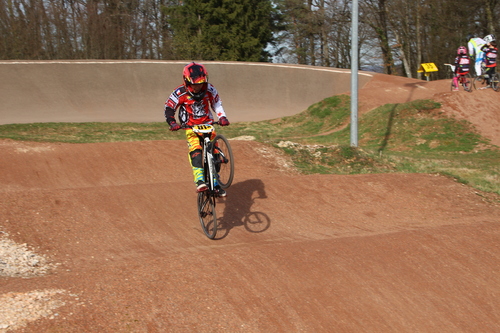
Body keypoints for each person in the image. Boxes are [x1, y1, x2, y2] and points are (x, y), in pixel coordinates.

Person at [164, 62, 230, 196]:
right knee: (196, 152)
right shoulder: (179, 93)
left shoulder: (210, 89)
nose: (198, 87)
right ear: (187, 82)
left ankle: (215, 184)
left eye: (200, 84)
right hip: (191, 127)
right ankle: (200, 180)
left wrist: (222, 117)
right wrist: (172, 122)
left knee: (215, 155)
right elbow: (169, 108)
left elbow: (216, 103)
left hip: (208, 125)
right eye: (194, 85)